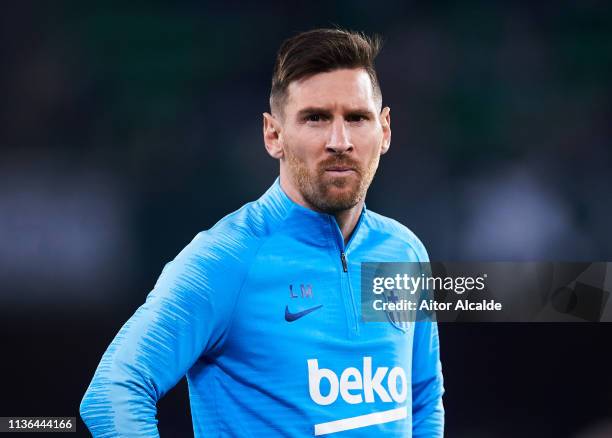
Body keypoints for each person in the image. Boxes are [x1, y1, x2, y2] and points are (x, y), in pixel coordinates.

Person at [80, 28, 444, 437]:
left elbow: (424, 395)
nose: (339, 141)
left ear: (385, 130)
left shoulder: (402, 251)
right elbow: (113, 392)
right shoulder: (226, 258)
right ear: (274, 135)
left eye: (356, 118)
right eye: (316, 118)